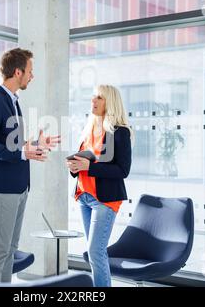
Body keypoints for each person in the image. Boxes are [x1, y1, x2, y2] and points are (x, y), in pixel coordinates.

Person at [0, 48, 60, 283]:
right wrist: (23, 152)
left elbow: (11, 145)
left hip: (19, 187)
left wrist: (34, 144)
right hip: (3, 188)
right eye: (30, 71)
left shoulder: (13, 102)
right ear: (18, 72)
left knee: (9, 250)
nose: (31, 76)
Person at [66, 84, 133, 287]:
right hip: (84, 196)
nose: (93, 101)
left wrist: (90, 167)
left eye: (99, 98)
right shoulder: (89, 130)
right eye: (93, 97)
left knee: (95, 252)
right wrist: (74, 166)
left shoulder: (120, 132)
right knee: (95, 252)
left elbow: (123, 170)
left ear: (110, 103)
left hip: (105, 200)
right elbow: (83, 164)